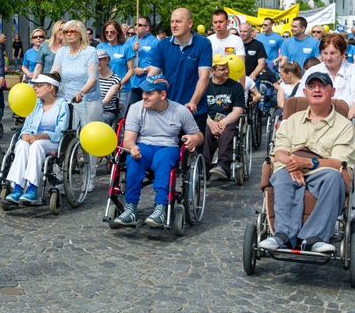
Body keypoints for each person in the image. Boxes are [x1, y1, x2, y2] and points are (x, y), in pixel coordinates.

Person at [258, 72, 355, 254]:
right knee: (280, 176)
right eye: (312, 86)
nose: (317, 90)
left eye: (322, 86)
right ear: (305, 91)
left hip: (323, 171)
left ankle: (313, 238)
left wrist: (308, 162)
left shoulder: (344, 126)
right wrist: (292, 164)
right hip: (289, 167)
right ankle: (283, 236)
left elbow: (339, 162)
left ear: (332, 91)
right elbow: (279, 150)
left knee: (335, 178)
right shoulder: (292, 120)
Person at [110, 75, 203, 229]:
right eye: (143, 92)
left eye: (149, 93)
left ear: (162, 95)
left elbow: (199, 136)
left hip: (168, 147)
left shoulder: (180, 111)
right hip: (144, 145)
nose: (144, 96)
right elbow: (128, 140)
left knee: (163, 158)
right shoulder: (136, 108)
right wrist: (132, 147)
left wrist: (195, 139)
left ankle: (161, 207)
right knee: (133, 159)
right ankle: (130, 207)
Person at [301, 33, 355, 192]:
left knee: (350, 174)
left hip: (350, 130)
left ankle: (349, 208)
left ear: (343, 53)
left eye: (333, 53)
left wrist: (347, 119)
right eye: (325, 53)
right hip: (318, 132)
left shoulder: (353, 71)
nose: (328, 57)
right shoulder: (313, 71)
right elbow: (300, 97)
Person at [3, 73, 69, 204]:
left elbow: (61, 132)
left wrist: (41, 136)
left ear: (51, 87)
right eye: (35, 85)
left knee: (37, 146)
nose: (35, 88)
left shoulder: (62, 105)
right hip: (32, 139)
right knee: (21, 145)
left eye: (39, 85)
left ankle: (32, 189)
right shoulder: (35, 104)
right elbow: (27, 126)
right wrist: (24, 135)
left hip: (52, 141)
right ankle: (18, 187)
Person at [146, 8, 213, 134]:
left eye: (178, 21)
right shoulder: (163, 45)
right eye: (172, 22)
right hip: (168, 109)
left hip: (194, 109)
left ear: (190, 24)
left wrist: (193, 102)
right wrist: (148, 95)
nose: (174, 25)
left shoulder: (203, 44)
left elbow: (203, 78)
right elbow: (152, 76)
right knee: (170, 150)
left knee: (194, 149)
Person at [52, 20, 101, 187]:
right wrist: (45, 83)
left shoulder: (90, 52)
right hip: (65, 100)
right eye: (65, 32)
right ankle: (61, 177)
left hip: (87, 100)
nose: (69, 35)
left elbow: (92, 77)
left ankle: (89, 177)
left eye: (72, 31)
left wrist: (81, 92)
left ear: (80, 33)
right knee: (63, 137)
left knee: (88, 140)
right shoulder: (61, 52)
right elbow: (55, 73)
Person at [202, 55, 246, 181]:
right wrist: (211, 123)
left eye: (227, 68)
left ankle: (223, 166)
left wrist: (222, 123)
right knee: (204, 133)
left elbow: (238, 110)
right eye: (222, 69)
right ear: (212, 71)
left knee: (228, 133)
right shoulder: (204, 86)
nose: (226, 71)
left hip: (229, 121)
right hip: (209, 121)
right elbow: (200, 109)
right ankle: (203, 167)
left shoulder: (235, 87)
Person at [97, 20, 135, 110]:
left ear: (118, 32)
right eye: (106, 32)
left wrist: (119, 83)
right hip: (103, 88)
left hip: (122, 89)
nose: (109, 34)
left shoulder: (126, 47)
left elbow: (131, 70)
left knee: (118, 118)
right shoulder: (100, 47)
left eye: (112, 32)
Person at [126, 16, 160, 109]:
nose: (136, 27)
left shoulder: (155, 42)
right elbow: (124, 58)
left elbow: (159, 63)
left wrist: (144, 70)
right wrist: (133, 50)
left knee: (148, 109)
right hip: (132, 82)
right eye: (136, 24)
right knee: (134, 108)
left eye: (140, 25)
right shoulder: (130, 41)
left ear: (147, 28)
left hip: (148, 81)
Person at [96, 50, 121, 125]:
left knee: (100, 119)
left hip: (107, 111)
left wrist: (93, 107)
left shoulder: (115, 79)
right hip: (93, 110)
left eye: (98, 60)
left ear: (106, 60)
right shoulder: (93, 77)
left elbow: (106, 100)